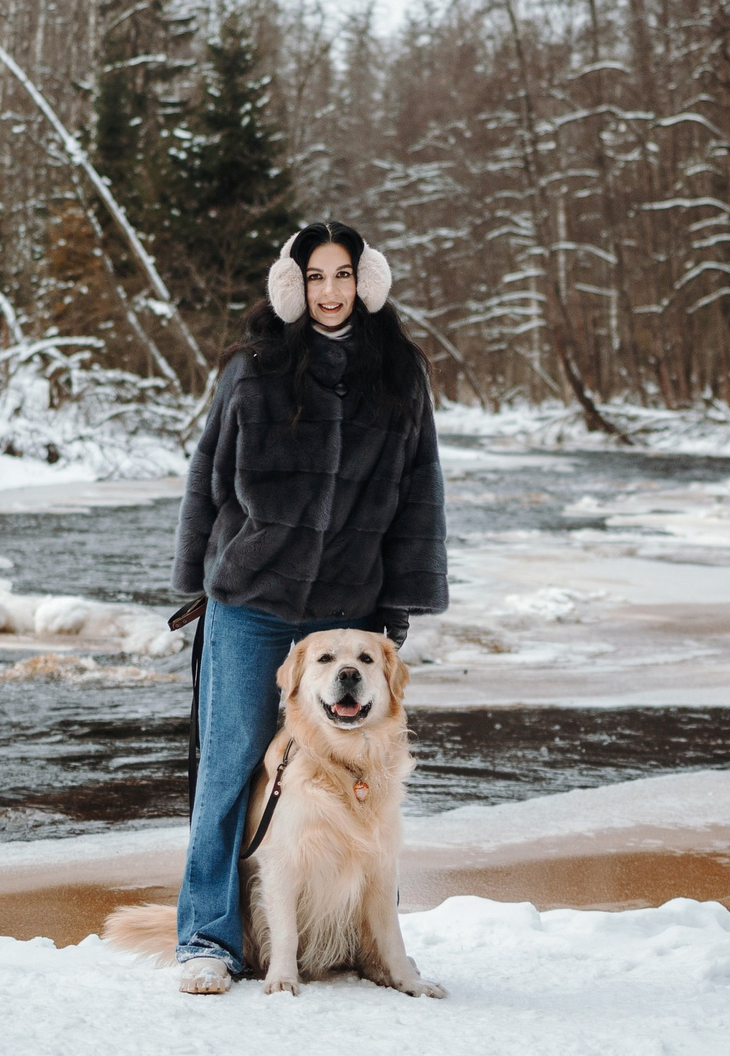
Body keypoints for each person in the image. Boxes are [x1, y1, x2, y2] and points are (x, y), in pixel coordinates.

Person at [166, 219, 448, 994]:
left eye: (344, 276)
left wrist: (397, 608)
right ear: (293, 285)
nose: (331, 291)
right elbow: (207, 476)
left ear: (367, 283)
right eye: (316, 276)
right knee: (228, 771)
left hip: (346, 612)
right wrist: (199, 576)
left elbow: (420, 492)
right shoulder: (255, 370)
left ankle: (370, 939)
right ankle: (208, 940)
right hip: (252, 603)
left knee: (365, 776)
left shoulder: (398, 373)